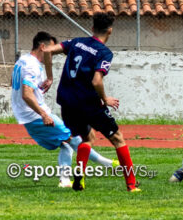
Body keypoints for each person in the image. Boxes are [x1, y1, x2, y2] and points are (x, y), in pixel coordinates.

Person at [44, 13, 140, 192]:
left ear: (92, 28)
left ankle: (79, 179)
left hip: (67, 102)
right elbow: (97, 81)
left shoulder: (76, 42)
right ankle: (132, 185)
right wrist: (105, 99)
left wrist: (49, 77)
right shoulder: (104, 53)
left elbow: (48, 50)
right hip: (89, 103)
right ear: (110, 31)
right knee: (118, 139)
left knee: (87, 138)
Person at [11, 31, 119, 188]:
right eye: (51, 49)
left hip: (26, 115)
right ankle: (106, 164)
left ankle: (65, 180)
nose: (52, 54)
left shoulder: (22, 60)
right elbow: (26, 94)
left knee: (66, 143)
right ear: (42, 46)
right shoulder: (32, 66)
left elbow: (19, 86)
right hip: (34, 115)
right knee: (75, 140)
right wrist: (43, 115)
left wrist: (43, 84)